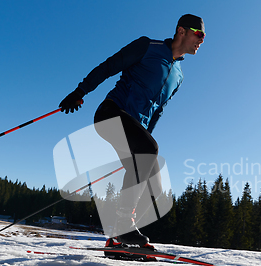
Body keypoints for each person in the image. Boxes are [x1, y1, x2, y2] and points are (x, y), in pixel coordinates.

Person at [59, 14, 205, 251]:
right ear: (181, 31)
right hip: (112, 113)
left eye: (204, 37)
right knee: (149, 150)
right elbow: (109, 66)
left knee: (155, 187)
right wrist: (80, 91)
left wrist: (144, 146)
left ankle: (117, 237)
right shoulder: (148, 46)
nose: (201, 40)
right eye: (198, 34)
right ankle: (124, 224)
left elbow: (157, 112)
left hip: (134, 128)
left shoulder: (179, 77)